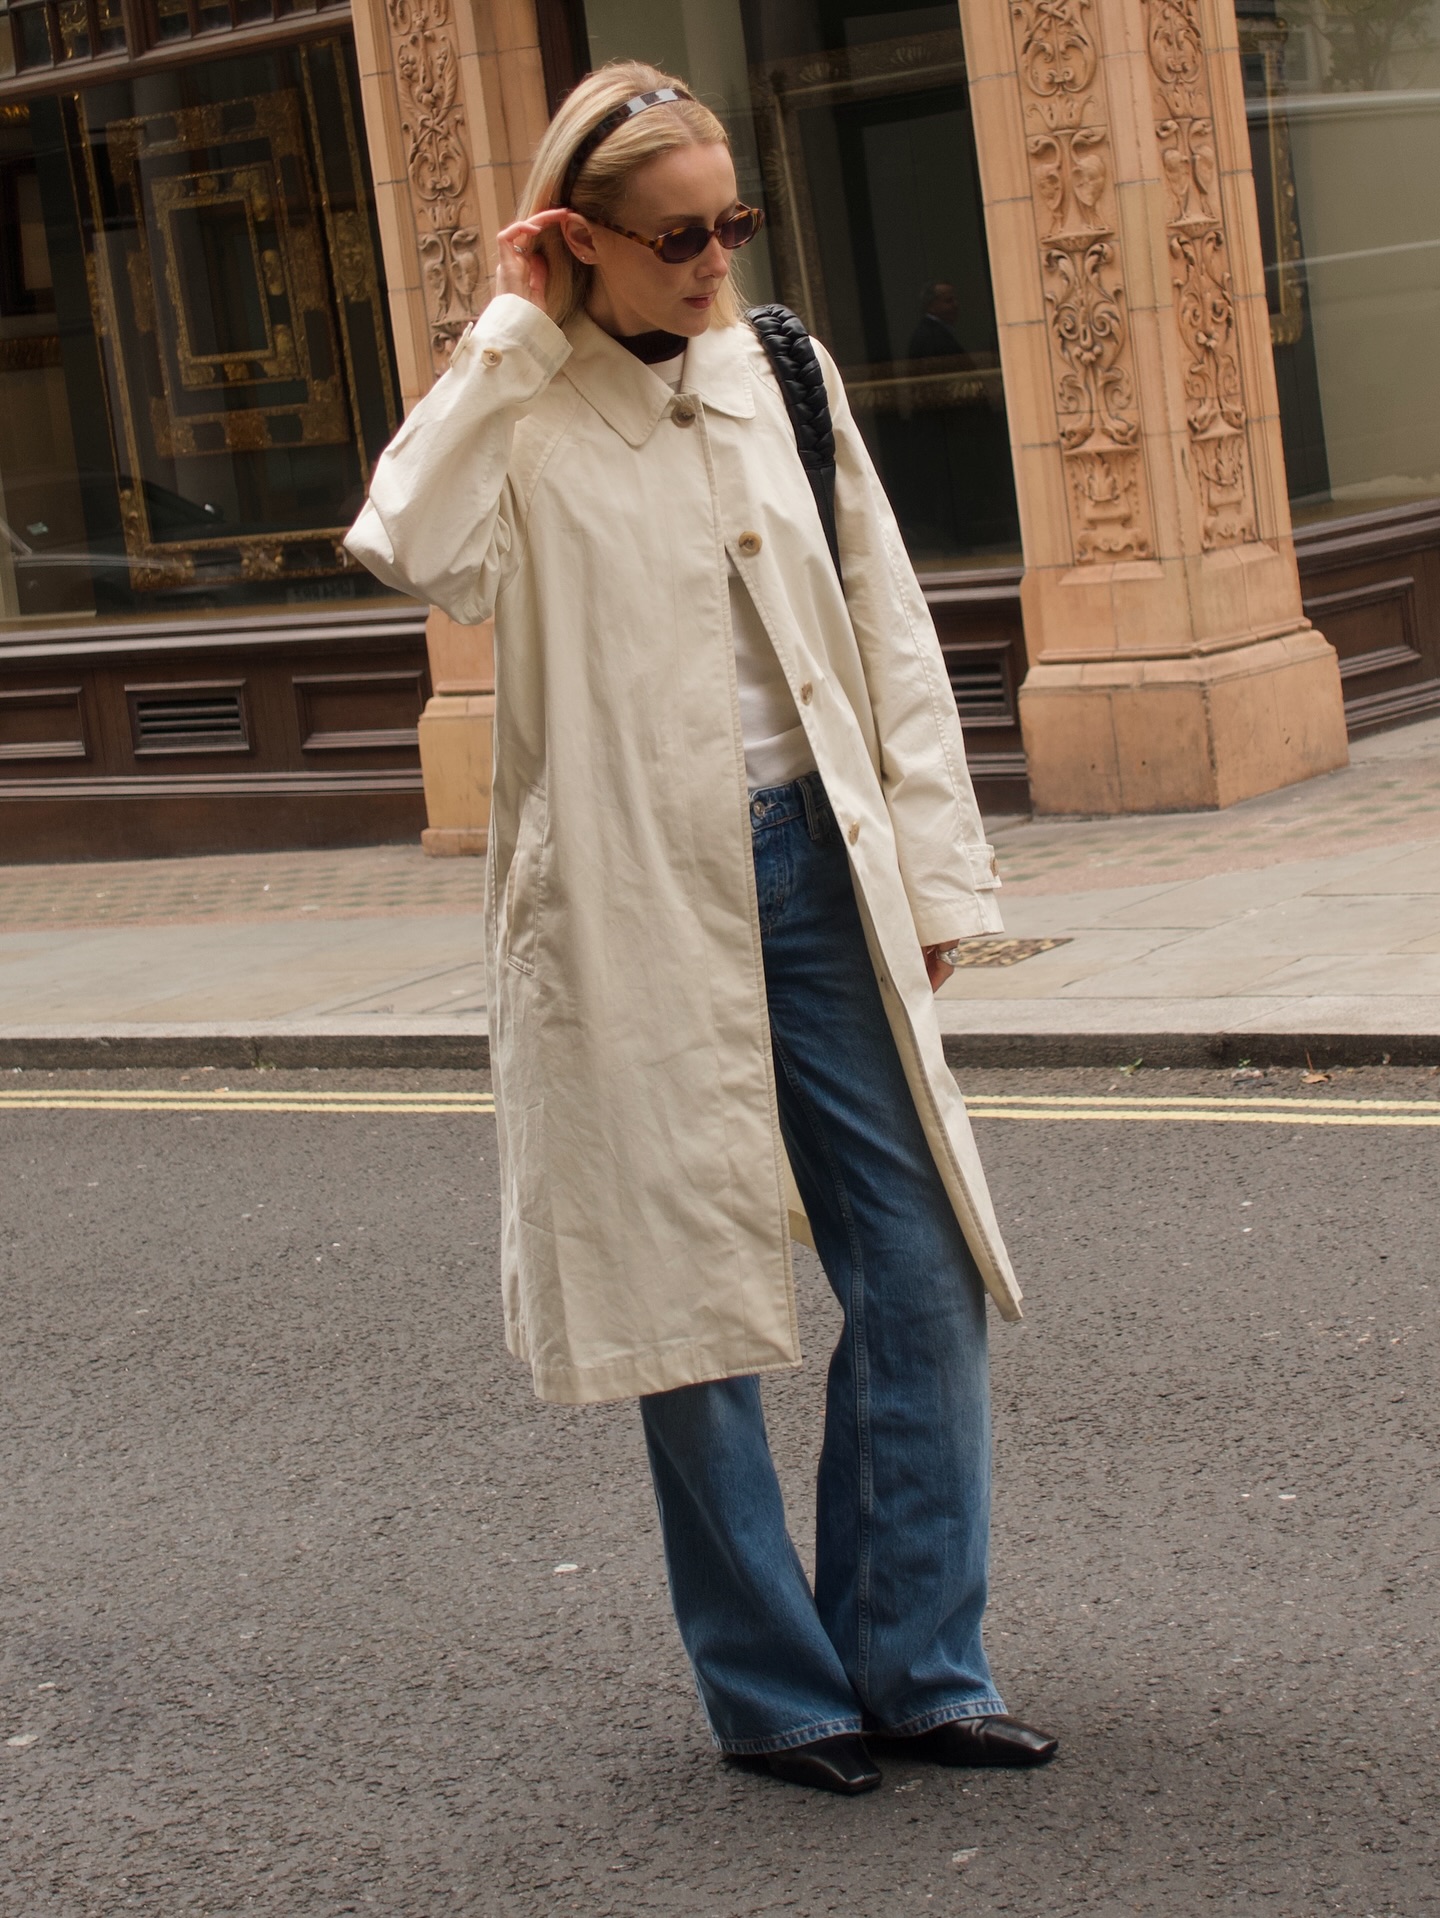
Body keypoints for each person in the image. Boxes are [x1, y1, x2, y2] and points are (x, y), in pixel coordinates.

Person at [345, 61, 1056, 1797]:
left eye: (732, 220)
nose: (712, 257)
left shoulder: (783, 371)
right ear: (576, 240)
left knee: (919, 1264)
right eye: (677, 235)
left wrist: (941, 882)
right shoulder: (517, 410)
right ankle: (778, 1691)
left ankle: (917, 1660)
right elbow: (403, 540)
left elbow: (889, 625)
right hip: (636, 898)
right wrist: (508, 339)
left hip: (821, 865)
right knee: (691, 1305)